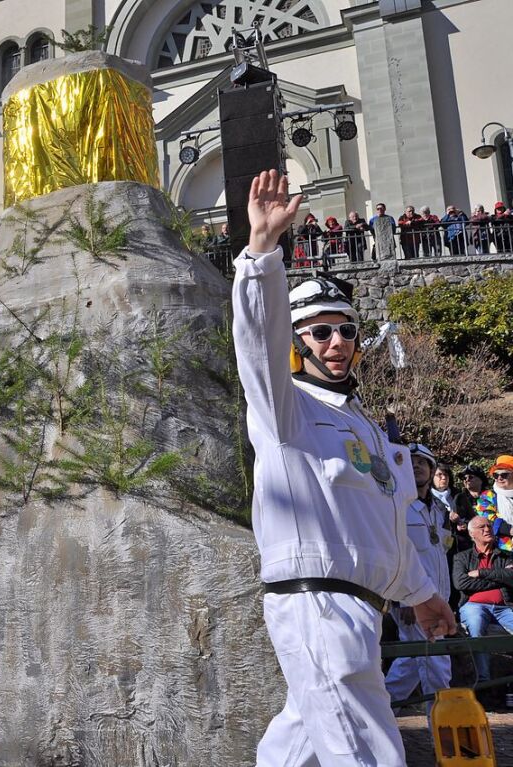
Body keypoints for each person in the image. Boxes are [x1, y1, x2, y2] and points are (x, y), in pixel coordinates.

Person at [234, 170, 455, 766]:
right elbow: (258, 339)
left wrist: (423, 594)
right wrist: (261, 255)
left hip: (363, 609)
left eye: (347, 330)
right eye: (321, 331)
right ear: (298, 341)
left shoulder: (364, 426)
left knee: (297, 748)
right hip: (317, 607)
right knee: (369, 753)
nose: (337, 342)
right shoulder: (284, 410)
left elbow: (380, 519)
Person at [384, 444, 452, 718]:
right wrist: (403, 599)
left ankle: (376, 714)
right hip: (413, 601)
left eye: (422, 462)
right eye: (409, 462)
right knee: (437, 668)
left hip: (438, 599)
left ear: (433, 469)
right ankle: (444, 736)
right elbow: (392, 553)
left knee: (411, 665)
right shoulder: (395, 504)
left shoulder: (438, 508)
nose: (415, 466)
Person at [452, 515, 513, 694]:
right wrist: (499, 577)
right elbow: (461, 583)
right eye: (482, 527)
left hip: (504, 607)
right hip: (473, 606)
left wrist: (480, 572)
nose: (487, 529)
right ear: (472, 534)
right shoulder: (461, 557)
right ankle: (482, 683)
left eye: (489, 526)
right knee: (476, 629)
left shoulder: (506, 555)